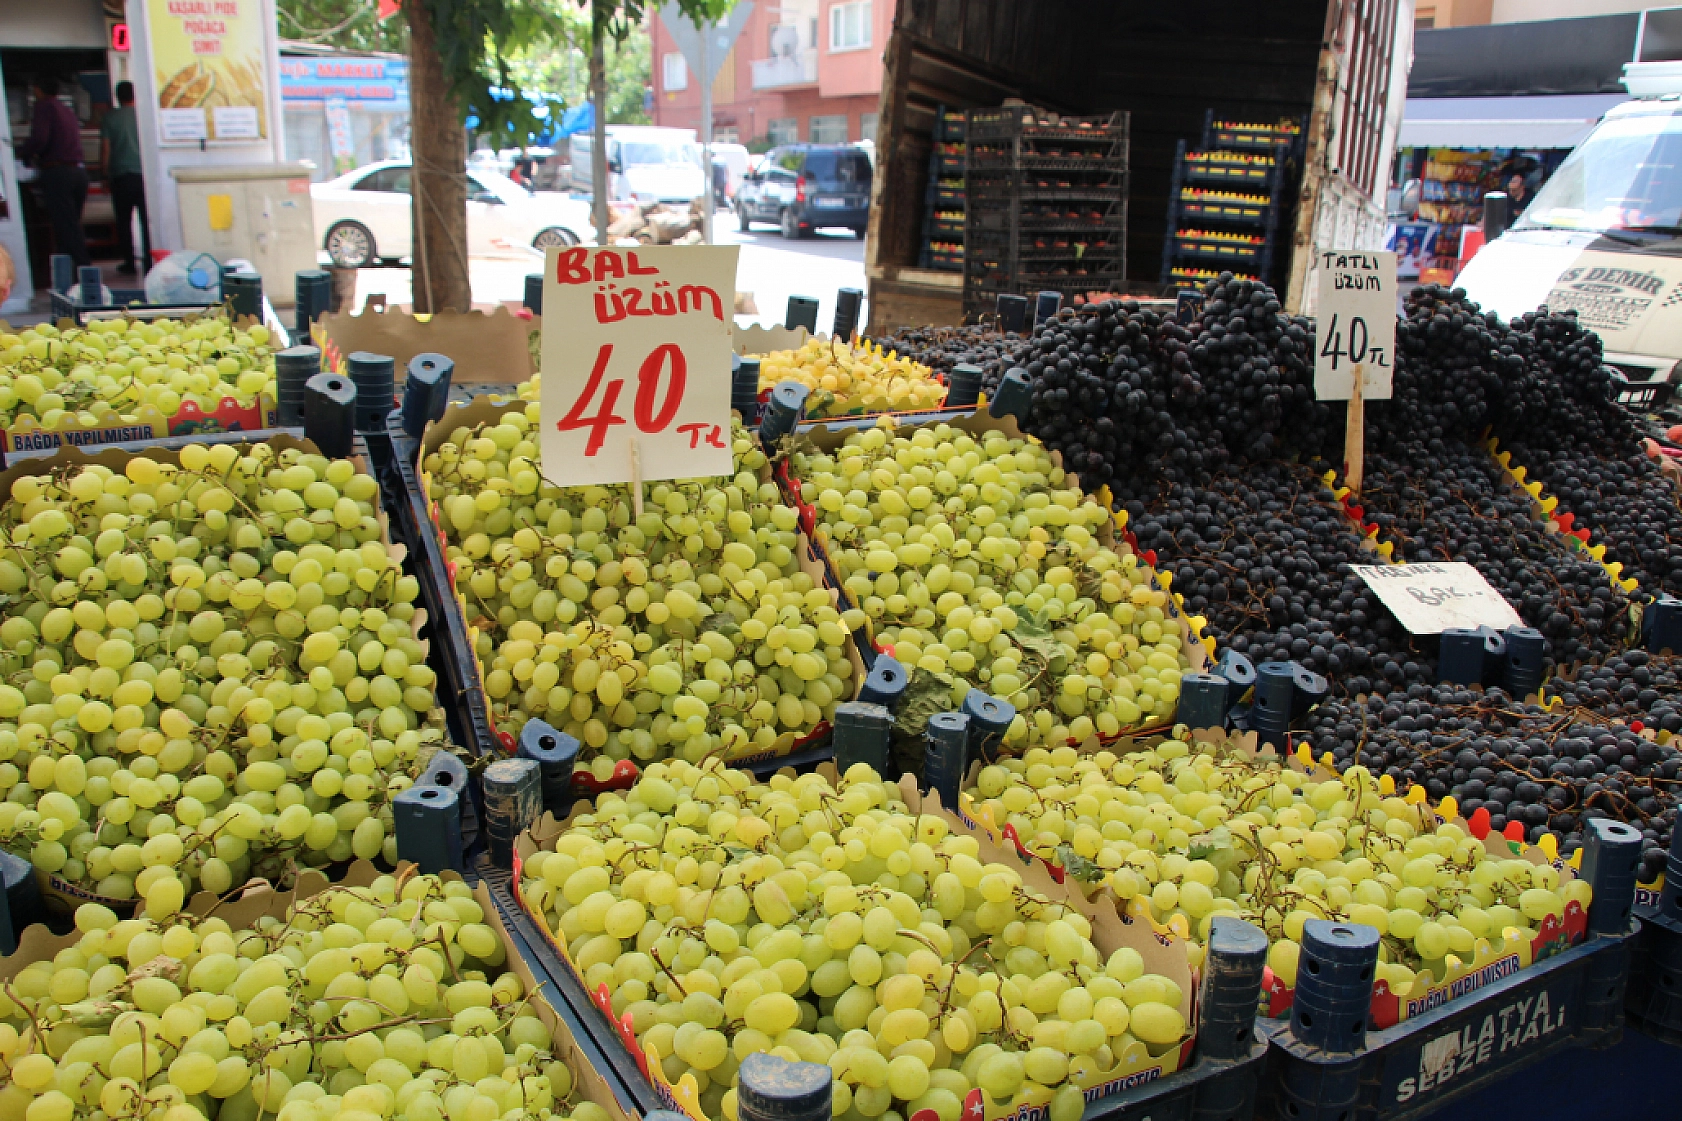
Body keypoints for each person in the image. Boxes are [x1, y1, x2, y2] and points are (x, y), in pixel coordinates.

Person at [19, 74, 89, 267]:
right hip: (78, 173)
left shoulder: (44, 107)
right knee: (71, 225)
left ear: (39, 90)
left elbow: (40, 138)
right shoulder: (66, 109)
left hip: (58, 172)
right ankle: (68, 273)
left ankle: (84, 272)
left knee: (65, 227)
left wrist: (23, 153)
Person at [101, 81, 148, 275]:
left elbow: (105, 149)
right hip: (143, 176)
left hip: (121, 176)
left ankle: (129, 262)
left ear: (118, 96)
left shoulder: (110, 118)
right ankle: (148, 260)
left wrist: (105, 174)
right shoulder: (144, 116)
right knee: (146, 221)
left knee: (124, 221)